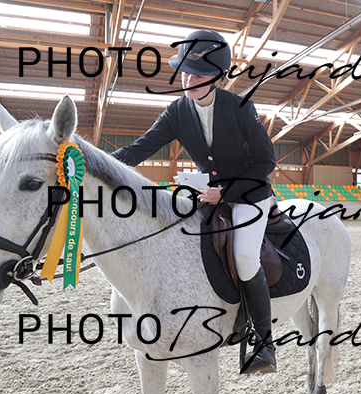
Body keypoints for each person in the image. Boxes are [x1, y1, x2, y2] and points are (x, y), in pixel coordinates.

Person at [111, 29, 277, 374]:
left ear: (218, 77)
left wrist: (225, 192)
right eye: (185, 72)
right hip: (205, 194)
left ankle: (264, 341)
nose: (188, 80)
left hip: (248, 193)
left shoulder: (241, 108)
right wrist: (95, 165)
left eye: (198, 75)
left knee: (245, 257)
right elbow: (139, 149)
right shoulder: (177, 111)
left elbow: (266, 162)